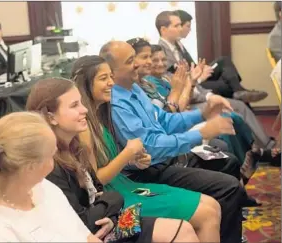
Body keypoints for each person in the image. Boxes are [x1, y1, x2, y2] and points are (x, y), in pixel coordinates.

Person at [26, 77, 214, 242]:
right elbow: (82, 220)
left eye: (81, 103)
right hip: (91, 230)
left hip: (105, 218)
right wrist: (112, 201)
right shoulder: (50, 164)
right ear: (50, 116)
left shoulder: (75, 146)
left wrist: (111, 210)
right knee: (183, 231)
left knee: (190, 223)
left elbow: (95, 195)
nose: (84, 110)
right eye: (74, 105)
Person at [100, 40, 247, 243]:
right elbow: (150, 146)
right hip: (146, 171)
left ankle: (223, 232)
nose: (138, 64)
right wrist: (202, 132)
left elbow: (164, 121)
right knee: (229, 187)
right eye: (130, 61)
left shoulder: (133, 88)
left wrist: (203, 114)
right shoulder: (117, 103)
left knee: (227, 162)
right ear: (112, 72)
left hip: (165, 160)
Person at [0, 112, 101, 242]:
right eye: (51, 155)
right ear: (31, 167)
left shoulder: (45, 188)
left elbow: (85, 236)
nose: (54, 162)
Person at [147, 44, 280, 166]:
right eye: (155, 60)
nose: (161, 64)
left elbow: (183, 101)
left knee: (233, 117)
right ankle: (244, 162)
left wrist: (192, 83)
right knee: (225, 124)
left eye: (163, 60)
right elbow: (173, 112)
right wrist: (190, 83)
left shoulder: (167, 77)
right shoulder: (151, 83)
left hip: (184, 113)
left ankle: (253, 154)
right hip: (177, 123)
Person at [157, 10, 267, 102]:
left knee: (224, 61)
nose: (180, 29)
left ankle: (239, 91)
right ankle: (239, 93)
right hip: (192, 85)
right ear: (163, 29)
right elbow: (175, 78)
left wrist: (200, 70)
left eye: (181, 25)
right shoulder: (161, 52)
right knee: (227, 85)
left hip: (196, 77)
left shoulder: (177, 44)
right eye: (177, 26)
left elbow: (190, 67)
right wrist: (199, 77)